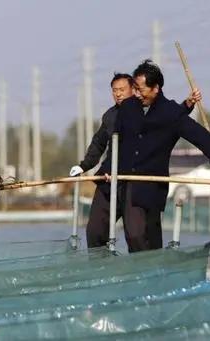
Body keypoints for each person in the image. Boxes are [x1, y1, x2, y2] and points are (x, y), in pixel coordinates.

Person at [69, 71, 202, 252]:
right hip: (109, 181)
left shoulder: (147, 112)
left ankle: (143, 267)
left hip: (137, 183)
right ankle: (99, 267)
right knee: (95, 231)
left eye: (122, 89)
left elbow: (168, 118)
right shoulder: (110, 116)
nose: (118, 94)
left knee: (138, 234)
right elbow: (98, 144)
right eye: (114, 90)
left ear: (135, 90)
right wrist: (83, 166)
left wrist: (187, 105)